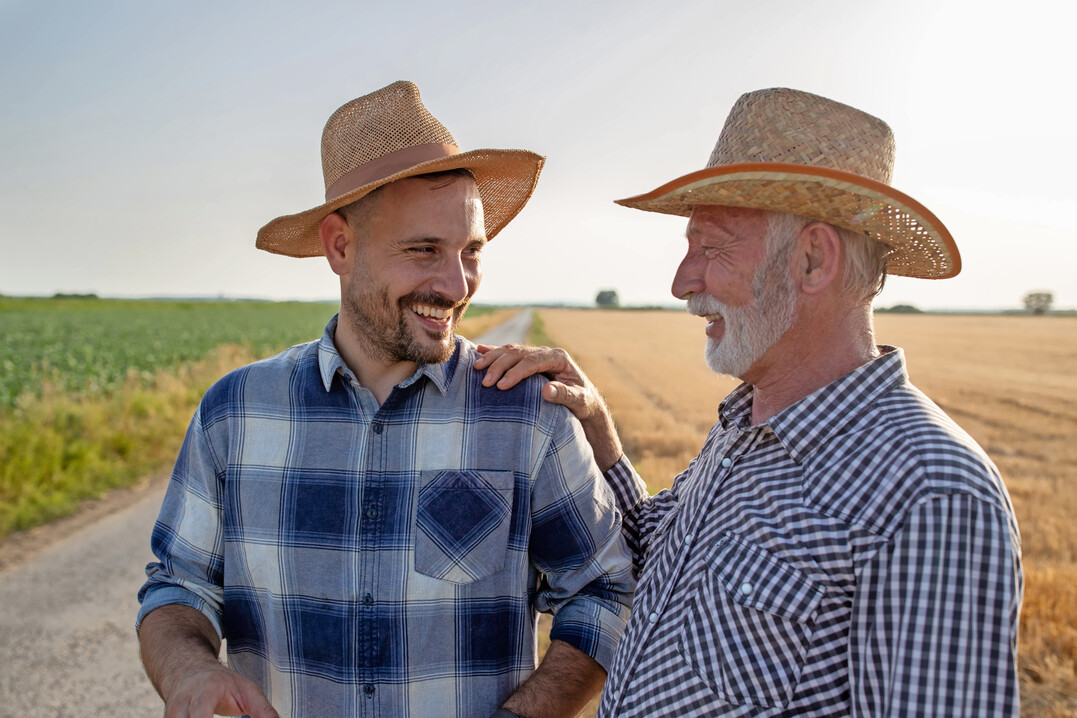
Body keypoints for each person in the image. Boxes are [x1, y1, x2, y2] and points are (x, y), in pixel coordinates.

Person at [475, 87, 1023, 716]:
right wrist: (598, 431)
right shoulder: (747, 423)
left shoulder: (930, 491)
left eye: (711, 247)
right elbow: (655, 558)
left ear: (813, 260)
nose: (683, 281)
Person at [136, 80, 634, 718]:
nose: (456, 285)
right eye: (424, 249)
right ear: (340, 246)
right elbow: (178, 588)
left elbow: (602, 590)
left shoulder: (526, 412)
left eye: (471, 252)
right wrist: (189, 673)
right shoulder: (234, 413)